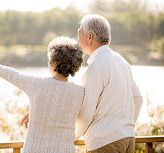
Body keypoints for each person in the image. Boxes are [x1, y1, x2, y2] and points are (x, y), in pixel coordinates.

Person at [22, 14, 143, 153]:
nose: (77, 39)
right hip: (128, 139)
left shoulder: (96, 68)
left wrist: (67, 138)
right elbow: (138, 99)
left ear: (90, 37)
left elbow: (86, 115)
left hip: (104, 142)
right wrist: (124, 127)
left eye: (79, 33)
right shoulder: (122, 61)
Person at [0, 36, 85, 153]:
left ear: (53, 62)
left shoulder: (37, 84)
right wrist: (35, 111)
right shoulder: (79, 92)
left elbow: (13, 75)